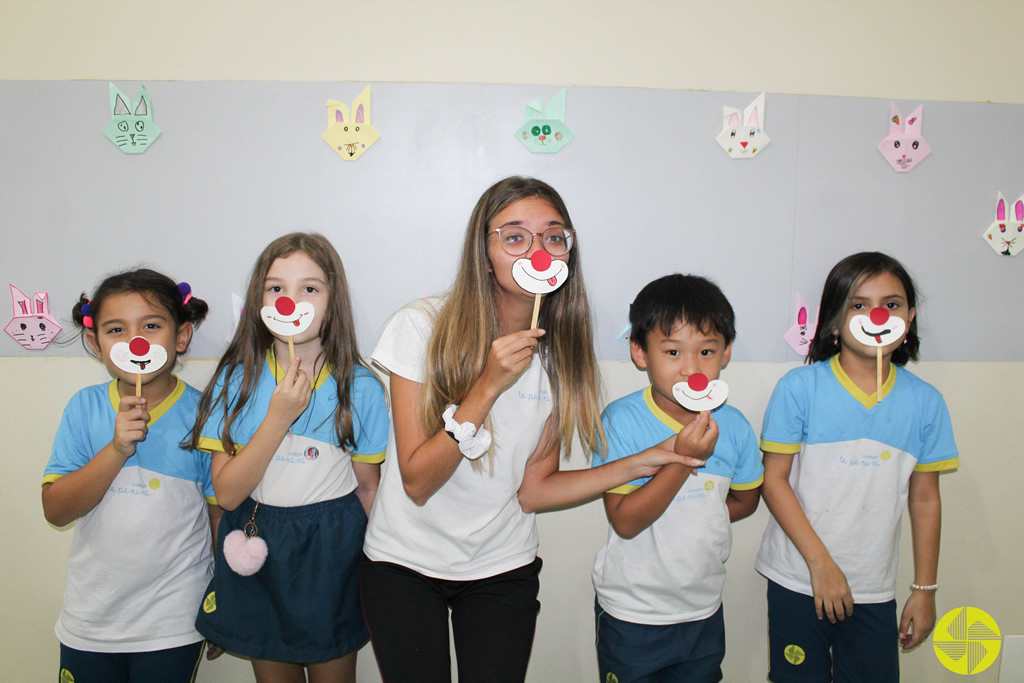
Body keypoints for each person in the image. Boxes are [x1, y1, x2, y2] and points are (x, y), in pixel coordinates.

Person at [358, 176, 706, 682]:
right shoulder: (419, 327)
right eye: (515, 236)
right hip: (403, 566)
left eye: (553, 236)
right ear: (485, 252)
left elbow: (533, 491)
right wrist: (486, 387)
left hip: (501, 568)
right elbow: (417, 481)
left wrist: (656, 456)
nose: (538, 251)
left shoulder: (560, 354)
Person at [190, 233, 388, 683]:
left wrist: (380, 573)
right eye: (276, 288)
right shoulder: (234, 382)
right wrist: (278, 417)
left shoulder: (360, 387)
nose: (289, 301)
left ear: (332, 301)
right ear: (259, 298)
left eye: (309, 288)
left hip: (331, 551)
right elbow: (226, 493)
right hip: (256, 543)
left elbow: (369, 487)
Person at [757, 252, 958, 682]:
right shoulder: (800, 388)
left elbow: (925, 499)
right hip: (799, 579)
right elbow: (773, 482)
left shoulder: (926, 402)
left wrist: (924, 591)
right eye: (859, 304)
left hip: (873, 588)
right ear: (834, 318)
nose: (877, 315)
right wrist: (821, 565)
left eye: (892, 303)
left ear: (910, 317)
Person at [42, 269, 216, 683]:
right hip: (91, 619)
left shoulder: (205, 414)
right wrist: (117, 449)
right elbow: (56, 510)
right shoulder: (84, 408)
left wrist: (222, 598)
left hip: (172, 622)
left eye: (151, 326)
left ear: (181, 337)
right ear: (94, 343)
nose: (135, 341)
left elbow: (217, 516)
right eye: (116, 329)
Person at [591, 273, 763, 683]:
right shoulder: (621, 421)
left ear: (726, 354)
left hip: (703, 608)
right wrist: (683, 460)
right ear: (640, 352)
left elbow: (746, 500)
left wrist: (699, 515)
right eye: (672, 351)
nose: (692, 369)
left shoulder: (734, 427)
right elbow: (626, 520)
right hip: (632, 611)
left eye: (706, 350)